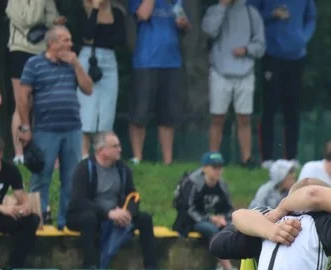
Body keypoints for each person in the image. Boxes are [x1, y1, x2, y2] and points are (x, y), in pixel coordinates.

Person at [18, 25, 93, 230]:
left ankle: (65, 222)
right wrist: (25, 126)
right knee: (41, 177)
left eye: (70, 40)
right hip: (45, 129)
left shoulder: (72, 65)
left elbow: (88, 88)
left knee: (71, 178)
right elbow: (23, 96)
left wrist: (77, 64)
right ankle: (36, 221)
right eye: (65, 40)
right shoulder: (34, 64)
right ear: (52, 43)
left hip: (72, 129)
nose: (70, 44)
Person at [66, 131, 157, 270]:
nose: (120, 149)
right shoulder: (84, 168)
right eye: (115, 146)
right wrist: (108, 213)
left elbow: (133, 196)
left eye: (119, 145)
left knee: (145, 219)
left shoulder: (123, 169)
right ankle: (90, 265)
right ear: (102, 150)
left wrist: (127, 213)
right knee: (89, 218)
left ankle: (151, 268)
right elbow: (80, 201)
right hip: (88, 214)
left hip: (116, 214)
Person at [249, 0, 317, 166]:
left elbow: (311, 17)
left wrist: (303, 38)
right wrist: (272, 15)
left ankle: (292, 158)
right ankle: (267, 158)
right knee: (269, 107)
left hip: (296, 56)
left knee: (292, 109)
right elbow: (251, 16)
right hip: (272, 55)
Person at [203, 0, 265, 167]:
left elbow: (261, 45)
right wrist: (222, 6)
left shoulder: (252, 13)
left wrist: (246, 50)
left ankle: (246, 159)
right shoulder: (214, 10)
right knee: (217, 117)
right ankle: (213, 159)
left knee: (244, 118)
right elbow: (209, 30)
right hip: (219, 71)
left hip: (245, 72)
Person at [128, 0, 188, 165]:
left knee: (167, 115)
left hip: (172, 62)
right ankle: (137, 158)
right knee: (140, 113)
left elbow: (184, 27)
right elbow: (143, 14)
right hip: (146, 62)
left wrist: (183, 24)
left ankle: (167, 161)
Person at [6, 0, 61, 164]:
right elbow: (31, 19)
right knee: (21, 104)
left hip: (42, 51)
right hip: (20, 50)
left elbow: (54, 18)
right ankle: (19, 154)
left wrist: (53, 21)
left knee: (42, 104)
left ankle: (41, 151)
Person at [0, 135, 40, 269]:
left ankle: (15, 267)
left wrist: (25, 207)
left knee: (32, 220)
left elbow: (22, 198)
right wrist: (2, 208)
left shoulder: (10, 170)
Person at [78, 0, 125, 159]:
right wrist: (96, 9)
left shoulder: (116, 12)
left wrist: (99, 38)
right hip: (88, 58)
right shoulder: (83, 9)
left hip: (109, 59)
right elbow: (87, 35)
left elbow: (120, 38)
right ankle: (83, 154)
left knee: (107, 108)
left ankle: (104, 153)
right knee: (87, 108)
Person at [175, 152, 234, 242]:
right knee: (212, 230)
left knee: (231, 229)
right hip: (192, 222)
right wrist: (210, 219)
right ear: (204, 168)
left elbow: (229, 209)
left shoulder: (222, 185)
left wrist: (222, 218)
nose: (218, 171)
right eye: (214, 168)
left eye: (220, 168)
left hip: (215, 220)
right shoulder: (193, 183)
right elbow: (188, 210)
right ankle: (222, 255)